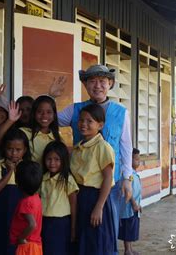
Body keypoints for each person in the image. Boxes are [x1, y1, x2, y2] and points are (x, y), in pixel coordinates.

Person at [51, 65, 133, 252]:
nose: (97, 86)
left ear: (110, 84)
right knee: (80, 230)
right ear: (85, 85)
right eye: (92, 81)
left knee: (106, 230)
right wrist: (52, 97)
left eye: (102, 81)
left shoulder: (121, 112)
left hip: (109, 184)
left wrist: (128, 179)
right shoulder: (75, 110)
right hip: (79, 184)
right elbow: (48, 120)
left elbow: (126, 145)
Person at [70, 104, 117, 255]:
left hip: (96, 197)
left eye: (89, 121)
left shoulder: (102, 147)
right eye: (81, 120)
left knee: (96, 243)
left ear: (100, 125)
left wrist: (99, 207)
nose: (83, 124)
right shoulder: (78, 147)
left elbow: (108, 177)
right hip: (80, 197)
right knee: (82, 241)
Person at [0, 128, 31, 255]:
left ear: (25, 150)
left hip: (21, 210)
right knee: (1, 239)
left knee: (17, 240)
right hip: (2, 209)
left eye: (18, 150)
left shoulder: (27, 167)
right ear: (4, 149)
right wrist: (10, 171)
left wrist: (18, 169)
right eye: (10, 149)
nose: (13, 153)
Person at [40, 141, 78, 255]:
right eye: (49, 159)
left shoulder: (68, 180)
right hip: (44, 222)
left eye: (57, 159)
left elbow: (73, 205)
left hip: (61, 224)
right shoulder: (42, 179)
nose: (52, 163)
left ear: (64, 160)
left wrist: (73, 229)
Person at [9, 161, 44, 255]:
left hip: (27, 246)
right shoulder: (36, 197)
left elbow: (32, 224)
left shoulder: (26, 202)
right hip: (34, 245)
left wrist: (21, 238)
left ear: (17, 181)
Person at [19, 95, 62, 164]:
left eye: (49, 112)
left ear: (54, 115)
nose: (44, 115)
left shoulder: (57, 138)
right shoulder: (23, 133)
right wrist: (10, 120)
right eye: (40, 112)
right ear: (34, 114)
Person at [119, 148, 142, 255]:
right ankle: (127, 249)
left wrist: (139, 204)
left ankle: (130, 248)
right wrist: (133, 203)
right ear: (129, 159)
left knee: (133, 228)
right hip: (129, 207)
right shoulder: (128, 174)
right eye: (136, 159)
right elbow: (129, 191)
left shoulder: (134, 173)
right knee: (128, 228)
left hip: (135, 207)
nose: (139, 161)